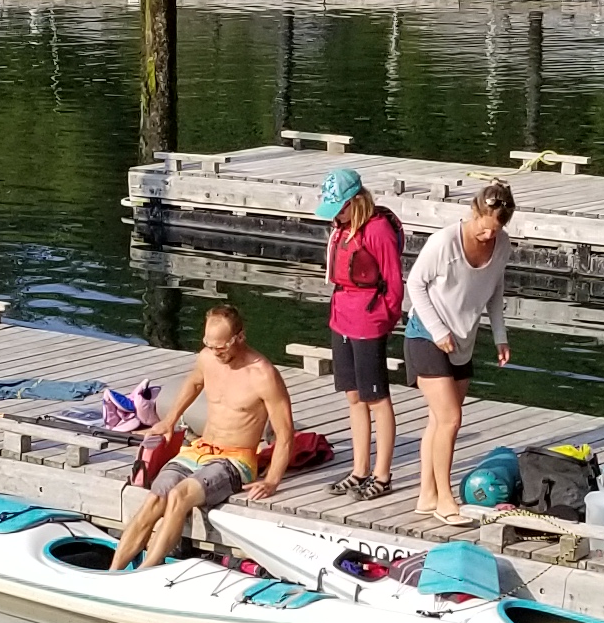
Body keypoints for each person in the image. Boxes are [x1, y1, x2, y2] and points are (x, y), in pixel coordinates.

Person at [114, 297, 297, 570]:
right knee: (155, 498)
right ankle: (112, 572)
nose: (215, 352)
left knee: (179, 496)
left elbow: (285, 434)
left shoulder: (263, 374)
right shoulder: (207, 357)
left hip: (235, 460)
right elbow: (194, 383)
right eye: (209, 344)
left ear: (239, 337)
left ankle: (144, 572)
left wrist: (272, 480)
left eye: (221, 347)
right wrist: (169, 420)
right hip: (198, 450)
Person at [404, 179, 515, 514]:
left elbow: (495, 290)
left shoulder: (502, 245)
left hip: (463, 339)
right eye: (484, 226)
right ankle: (445, 499)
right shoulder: (444, 242)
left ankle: (426, 495)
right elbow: (415, 284)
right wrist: (438, 331)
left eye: (496, 230)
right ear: (474, 212)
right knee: (451, 419)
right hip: (426, 335)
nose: (488, 235)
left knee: (439, 421)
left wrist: (500, 336)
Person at [318, 164, 405, 498]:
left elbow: (394, 282)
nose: (335, 217)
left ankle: (382, 475)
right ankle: (359, 469)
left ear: (354, 201)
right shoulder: (342, 228)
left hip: (369, 319)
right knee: (353, 396)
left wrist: (386, 318)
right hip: (342, 316)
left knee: (376, 398)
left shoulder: (377, 230)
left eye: (339, 209)